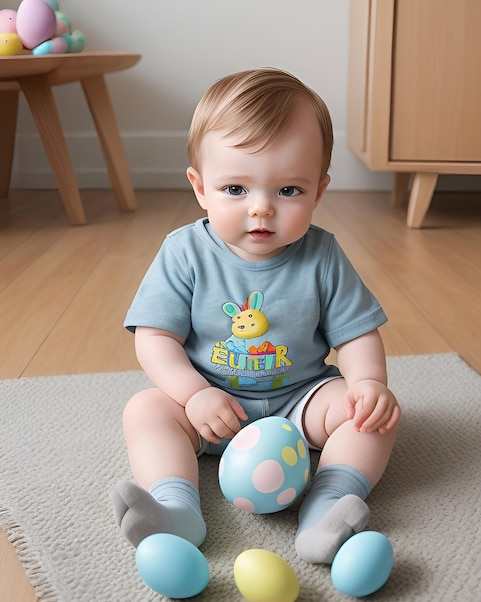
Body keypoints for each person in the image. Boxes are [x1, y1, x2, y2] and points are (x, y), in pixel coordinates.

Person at [111, 68, 401, 565]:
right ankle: (176, 507)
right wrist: (194, 394)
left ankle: (327, 506)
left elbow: (356, 334)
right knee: (145, 410)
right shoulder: (183, 253)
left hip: (301, 400)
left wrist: (368, 383)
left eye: (289, 191)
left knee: (370, 418)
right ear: (200, 188)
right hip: (208, 403)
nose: (262, 209)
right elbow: (155, 338)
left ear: (319, 190)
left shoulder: (323, 255)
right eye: (236, 189)